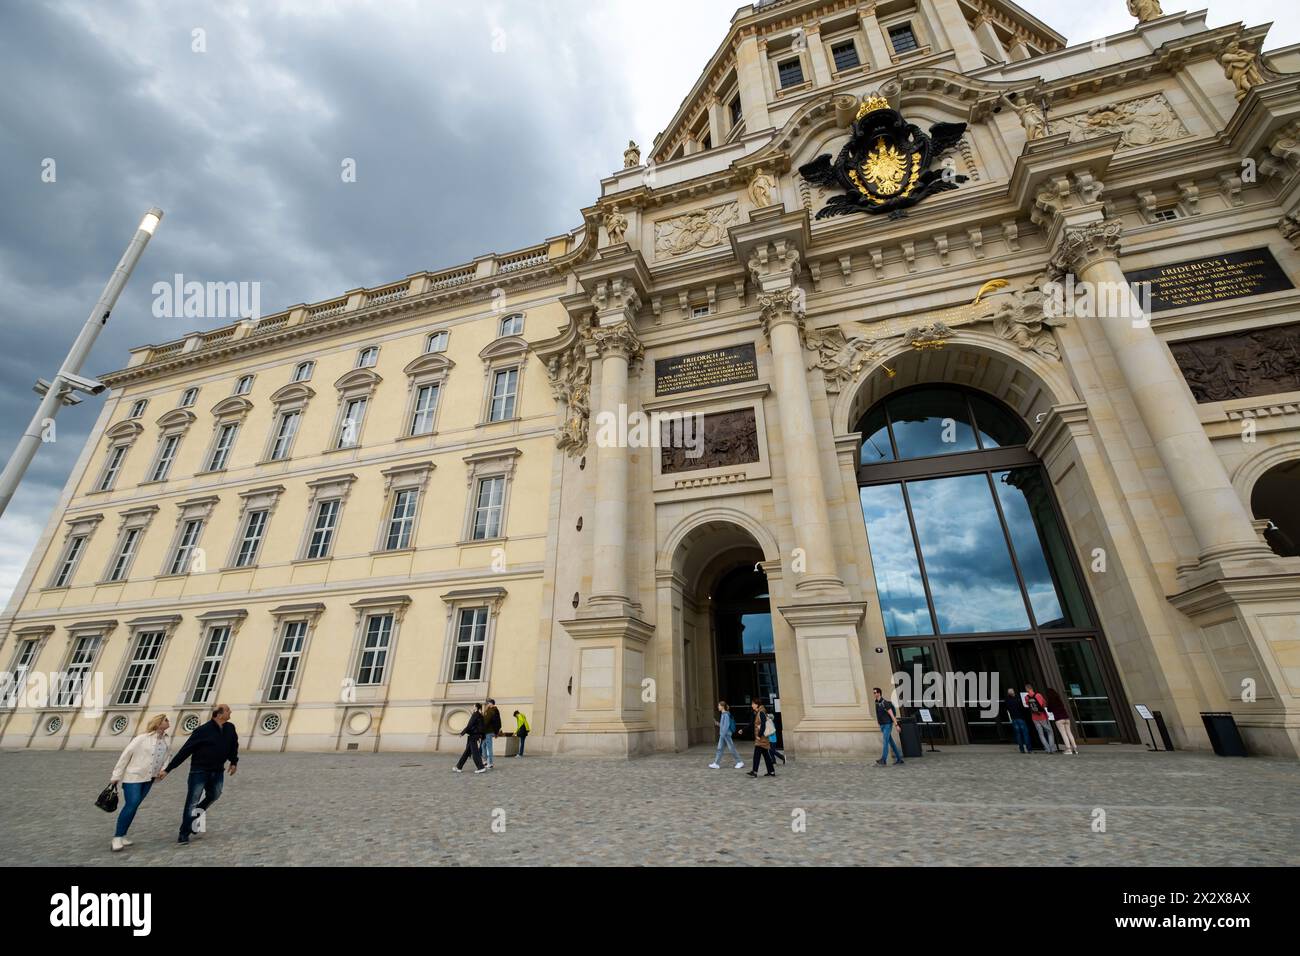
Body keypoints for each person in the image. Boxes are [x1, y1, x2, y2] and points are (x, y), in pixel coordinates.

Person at [158, 703, 238, 846]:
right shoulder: (203, 730)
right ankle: (184, 833)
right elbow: (186, 750)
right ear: (219, 714)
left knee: (215, 794)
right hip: (199, 770)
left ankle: (195, 818)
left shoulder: (230, 728)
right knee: (192, 802)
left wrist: (233, 762)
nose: (230, 712)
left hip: (218, 770)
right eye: (227, 710)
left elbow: (233, 745)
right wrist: (168, 769)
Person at [108, 713, 171, 852]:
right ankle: (117, 837)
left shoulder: (166, 739)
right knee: (132, 803)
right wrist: (116, 775)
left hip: (150, 778)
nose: (168, 722)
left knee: (134, 806)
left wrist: (163, 769)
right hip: (134, 777)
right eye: (166, 720)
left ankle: (123, 834)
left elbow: (167, 756)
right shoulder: (142, 738)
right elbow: (126, 755)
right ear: (159, 722)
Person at [872, 687, 904, 766]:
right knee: (891, 743)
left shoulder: (885, 703)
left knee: (885, 741)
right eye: (873, 693)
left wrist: (896, 725)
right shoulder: (876, 703)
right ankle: (899, 759)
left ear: (879, 693)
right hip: (882, 725)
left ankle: (883, 759)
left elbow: (892, 715)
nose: (874, 694)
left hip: (887, 724)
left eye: (875, 692)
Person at [708, 701, 744, 769]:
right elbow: (723, 725)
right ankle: (716, 763)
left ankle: (739, 762)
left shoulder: (726, 714)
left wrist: (723, 734)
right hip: (724, 734)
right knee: (719, 749)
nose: (718, 707)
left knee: (731, 748)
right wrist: (718, 724)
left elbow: (726, 726)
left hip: (726, 734)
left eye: (719, 706)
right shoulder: (723, 714)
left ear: (722, 706)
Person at [454, 703, 488, 774]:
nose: (473, 707)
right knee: (466, 752)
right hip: (476, 735)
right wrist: (482, 736)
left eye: (474, 706)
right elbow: (483, 727)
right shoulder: (480, 715)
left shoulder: (475, 714)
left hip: (474, 736)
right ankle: (458, 767)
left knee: (475, 752)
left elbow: (469, 725)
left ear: (476, 707)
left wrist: (462, 733)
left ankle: (481, 767)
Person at [746, 702, 776, 777]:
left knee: (756, 755)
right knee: (766, 755)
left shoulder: (761, 712)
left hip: (761, 738)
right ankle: (771, 771)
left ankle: (754, 771)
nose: (752, 705)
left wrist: (759, 735)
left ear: (757, 705)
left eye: (753, 704)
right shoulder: (758, 712)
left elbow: (763, 725)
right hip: (761, 738)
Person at [1045, 687, 1079, 754]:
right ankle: (1075, 748)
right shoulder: (1059, 699)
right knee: (1069, 733)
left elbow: (1049, 710)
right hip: (1066, 717)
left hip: (1059, 719)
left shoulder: (1050, 701)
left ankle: (1068, 749)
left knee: (1064, 734)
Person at [1024, 683, 1056, 753]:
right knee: (1050, 732)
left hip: (1034, 718)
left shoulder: (1026, 697)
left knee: (1041, 734)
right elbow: (1044, 704)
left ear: (1026, 690)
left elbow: (1027, 705)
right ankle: (1052, 749)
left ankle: (1047, 749)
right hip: (1043, 716)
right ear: (1031, 688)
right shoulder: (1038, 695)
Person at [1004, 688, 1032, 753]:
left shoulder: (1007, 701)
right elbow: (1022, 708)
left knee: (1018, 735)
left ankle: (1021, 749)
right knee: (1025, 734)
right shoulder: (1018, 699)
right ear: (1013, 692)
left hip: (1014, 719)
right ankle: (1029, 749)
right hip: (1020, 718)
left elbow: (1007, 709)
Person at [481, 698, 502, 769]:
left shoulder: (490, 710)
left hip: (488, 731)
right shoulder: (495, 710)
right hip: (490, 731)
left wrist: (481, 729)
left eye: (488, 703)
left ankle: (490, 763)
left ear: (490, 703)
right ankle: (485, 761)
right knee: (483, 745)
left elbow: (486, 721)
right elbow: (499, 722)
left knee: (488, 747)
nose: (487, 704)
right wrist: (496, 732)